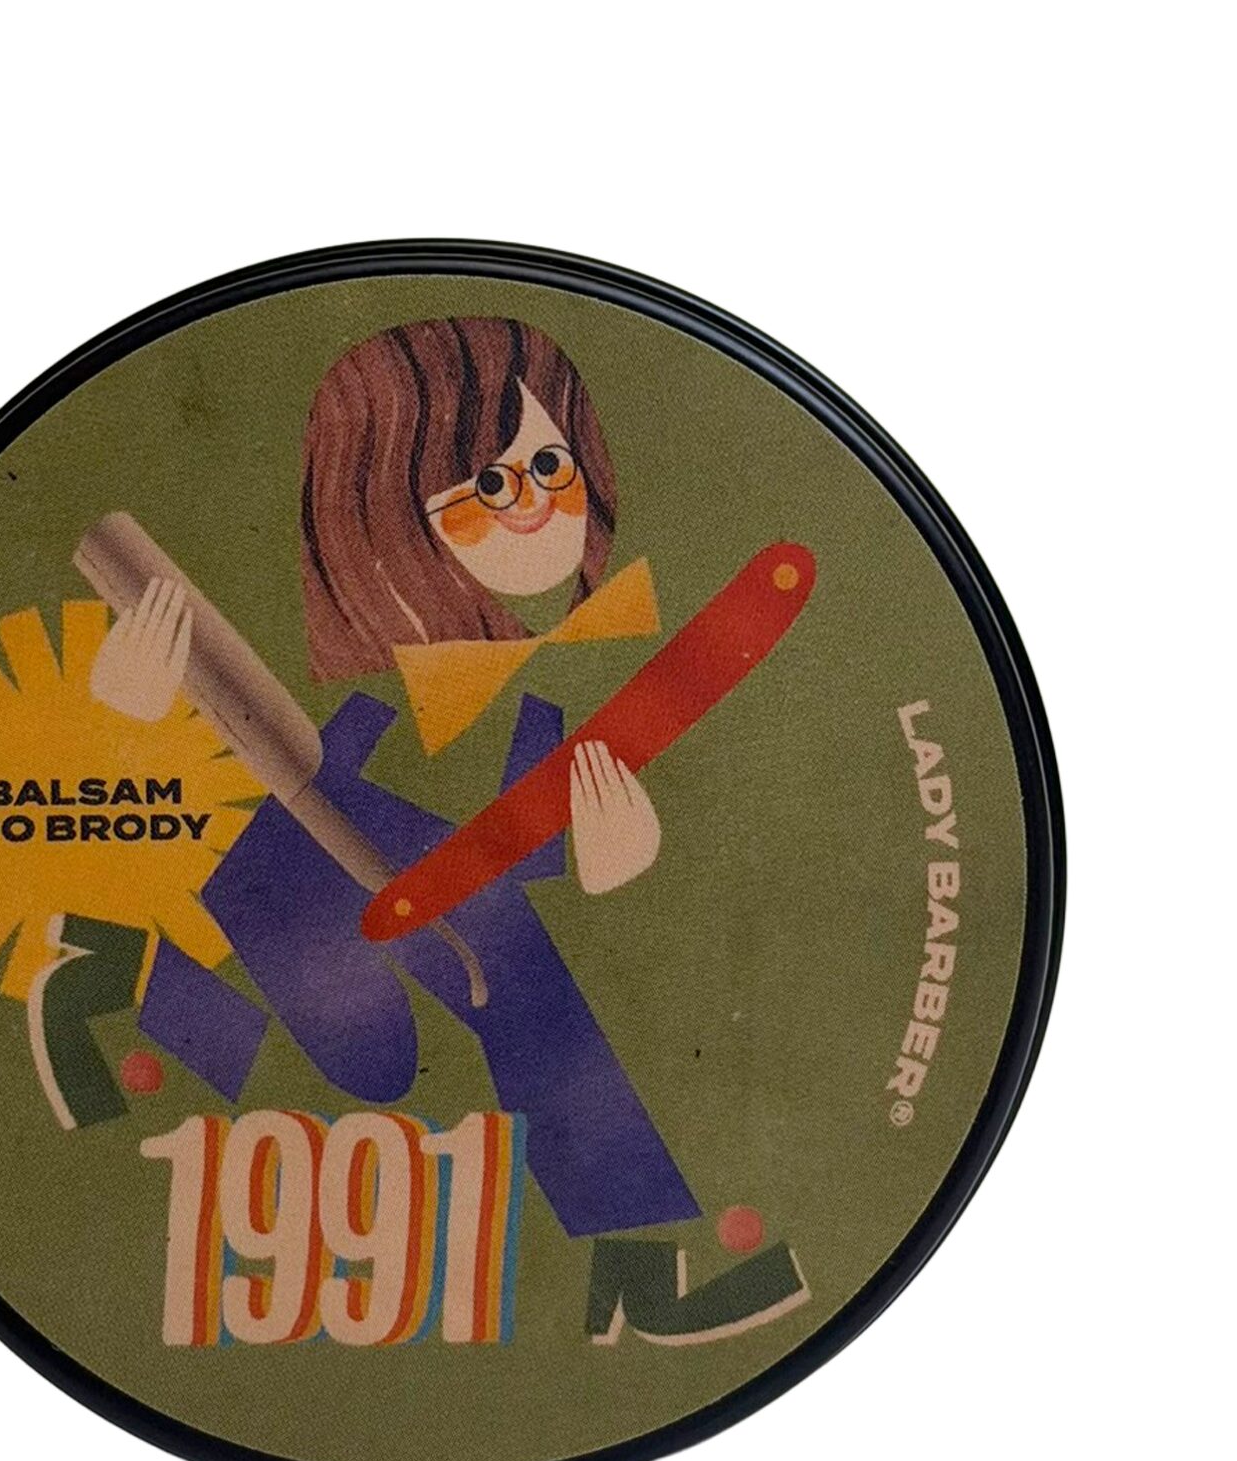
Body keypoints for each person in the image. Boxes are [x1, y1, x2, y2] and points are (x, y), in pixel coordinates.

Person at [91, 317, 807, 1341]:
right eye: (487, 486)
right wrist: (132, 721)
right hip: (310, 924)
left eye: (549, 466)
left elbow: (585, 888)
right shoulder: (358, 699)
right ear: (376, 512)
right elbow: (223, 814)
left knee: (523, 984)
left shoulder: (547, 688)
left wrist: (614, 863)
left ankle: (628, 1259)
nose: (533, 509)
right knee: (397, 1022)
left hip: (450, 961)